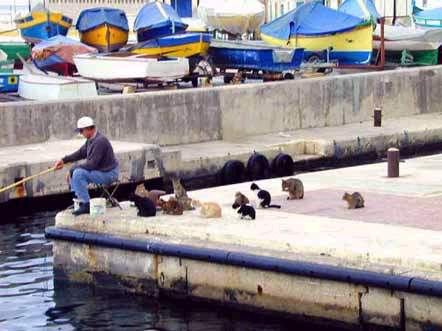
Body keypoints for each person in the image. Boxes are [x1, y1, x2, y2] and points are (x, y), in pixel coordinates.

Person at [54, 116, 119, 216]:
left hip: (109, 173)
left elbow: (92, 164)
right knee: (76, 170)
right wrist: (63, 160)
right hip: (101, 171)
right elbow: (80, 153)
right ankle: (80, 201)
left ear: (89, 129)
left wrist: (73, 169)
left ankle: (86, 204)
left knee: (78, 173)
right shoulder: (91, 140)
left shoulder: (99, 141)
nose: (80, 133)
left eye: (81, 130)